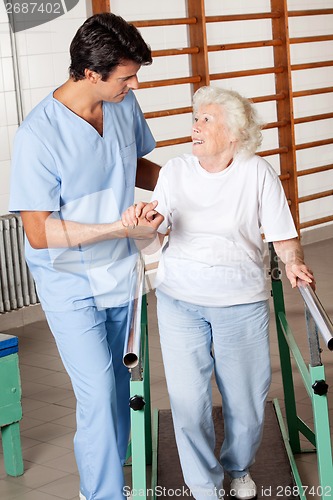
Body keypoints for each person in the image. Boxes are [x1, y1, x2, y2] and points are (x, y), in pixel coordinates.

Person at [123, 86, 314, 500]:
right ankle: (204, 486)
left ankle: (238, 467)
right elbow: (154, 232)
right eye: (196, 118)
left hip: (241, 303)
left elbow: (283, 236)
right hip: (179, 300)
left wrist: (293, 261)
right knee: (189, 404)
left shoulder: (256, 172)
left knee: (246, 404)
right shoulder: (175, 172)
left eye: (206, 119)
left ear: (234, 133)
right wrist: (143, 223)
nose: (195, 126)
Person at [9, 12, 163, 500]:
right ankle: (101, 494)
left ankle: (114, 464)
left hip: (120, 271)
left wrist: (199, 184)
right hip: (69, 282)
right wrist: (119, 227)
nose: (134, 83)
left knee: (120, 387)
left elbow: (132, 160)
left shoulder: (122, 103)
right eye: (126, 75)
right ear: (90, 73)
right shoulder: (38, 135)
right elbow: (38, 231)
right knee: (96, 394)